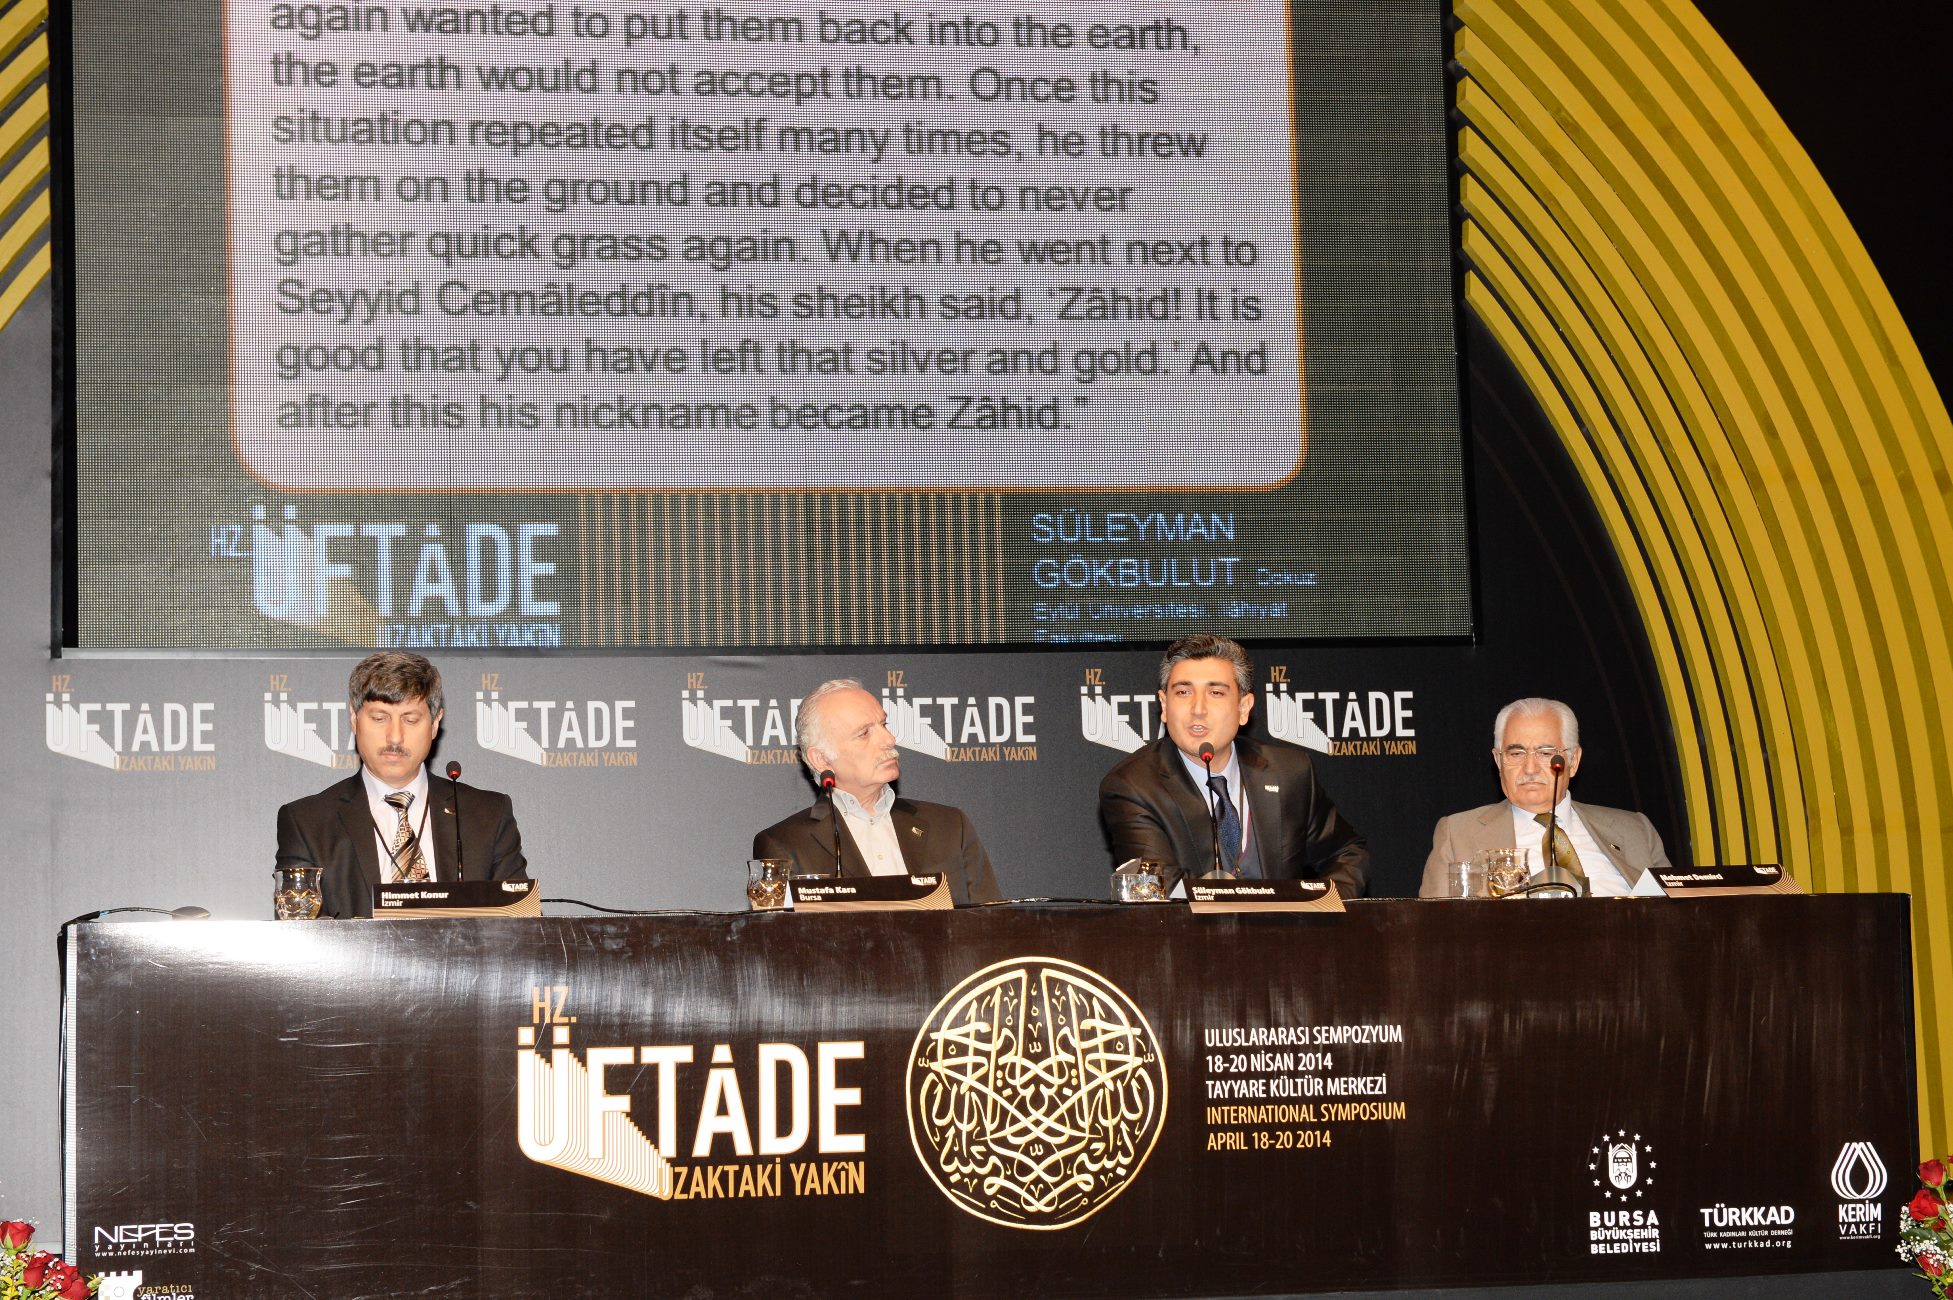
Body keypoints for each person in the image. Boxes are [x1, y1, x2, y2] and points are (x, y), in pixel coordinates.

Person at [1098, 635, 1369, 895]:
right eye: (1183, 692)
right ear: (1164, 705)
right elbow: (1159, 886)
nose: (1198, 709)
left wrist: (1321, 909)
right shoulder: (1133, 786)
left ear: (1243, 707)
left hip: (1286, 927)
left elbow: (1347, 853)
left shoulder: (1288, 772)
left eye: (1216, 692)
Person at [274, 651, 527, 918]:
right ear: (354, 718)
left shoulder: (488, 815)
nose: (395, 737)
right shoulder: (307, 823)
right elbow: (299, 931)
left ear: (435, 723)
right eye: (379, 718)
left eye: (410, 719)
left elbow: (523, 924)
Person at [752, 678, 1001, 904]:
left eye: (883, 724)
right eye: (864, 733)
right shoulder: (785, 845)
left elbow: (992, 925)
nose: (889, 739)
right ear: (822, 759)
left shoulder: (950, 826)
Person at [1420, 697, 1672, 897]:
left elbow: (1679, 914)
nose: (1530, 769)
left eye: (1546, 753)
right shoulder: (1458, 835)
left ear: (1573, 761)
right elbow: (1434, 930)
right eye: (1516, 753)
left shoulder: (1635, 831)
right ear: (1498, 761)